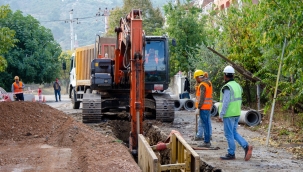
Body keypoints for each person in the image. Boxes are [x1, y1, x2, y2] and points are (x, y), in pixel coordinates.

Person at [218, 65, 253, 160]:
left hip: (229, 114)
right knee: (233, 132)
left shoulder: (227, 87)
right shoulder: (237, 86)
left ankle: (231, 153)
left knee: (229, 134)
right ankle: (246, 146)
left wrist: (221, 114)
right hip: (237, 113)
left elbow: (225, 102)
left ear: (225, 75)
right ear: (233, 75)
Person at [193, 70, 213, 147]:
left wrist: (198, 107)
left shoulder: (203, 85)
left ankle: (207, 142)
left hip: (203, 107)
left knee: (205, 124)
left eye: (196, 78)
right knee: (207, 123)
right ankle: (207, 140)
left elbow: (202, 97)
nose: (196, 80)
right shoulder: (208, 83)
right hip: (207, 107)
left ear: (198, 77)